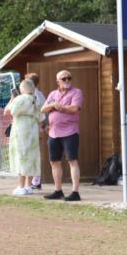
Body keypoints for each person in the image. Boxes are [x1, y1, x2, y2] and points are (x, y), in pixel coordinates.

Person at [42, 69, 83, 201]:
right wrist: (54, 105)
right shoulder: (53, 94)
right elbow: (43, 109)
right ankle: (58, 190)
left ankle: (75, 192)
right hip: (53, 132)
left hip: (70, 131)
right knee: (54, 161)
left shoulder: (76, 92)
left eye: (69, 78)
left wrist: (60, 107)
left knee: (72, 160)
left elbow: (75, 108)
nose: (67, 81)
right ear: (57, 81)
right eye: (63, 79)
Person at [7, 79, 41, 195]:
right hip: (33, 129)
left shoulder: (20, 98)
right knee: (31, 156)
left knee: (21, 156)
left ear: (22, 89)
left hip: (21, 129)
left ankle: (20, 186)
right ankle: (28, 186)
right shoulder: (36, 100)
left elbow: (11, 111)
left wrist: (12, 99)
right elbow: (41, 117)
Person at [25, 72, 47, 191]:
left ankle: (35, 180)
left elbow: (42, 112)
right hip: (32, 128)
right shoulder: (35, 94)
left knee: (33, 155)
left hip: (34, 128)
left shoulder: (37, 95)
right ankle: (33, 179)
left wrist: (42, 126)